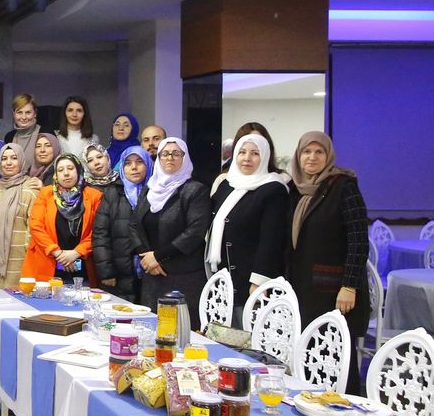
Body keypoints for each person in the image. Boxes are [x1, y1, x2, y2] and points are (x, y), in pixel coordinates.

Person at [286, 131, 370, 392]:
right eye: (306, 152)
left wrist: (349, 286)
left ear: (328, 156)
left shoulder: (343, 186)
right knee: (308, 354)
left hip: (334, 291)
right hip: (302, 287)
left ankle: (347, 407)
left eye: (318, 152)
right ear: (298, 156)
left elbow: (358, 240)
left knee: (336, 356)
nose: (312, 157)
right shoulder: (293, 188)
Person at [208, 134, 290, 307]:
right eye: (242, 152)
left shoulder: (273, 189)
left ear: (265, 157)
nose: (247, 158)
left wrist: (259, 282)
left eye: (255, 153)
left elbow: (272, 240)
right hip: (222, 279)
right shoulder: (227, 185)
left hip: (251, 281)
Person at [130, 138, 210, 315]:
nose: (170, 158)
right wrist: (147, 257)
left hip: (182, 276)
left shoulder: (195, 190)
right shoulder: (150, 189)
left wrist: (158, 256)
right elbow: (134, 225)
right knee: (151, 325)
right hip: (152, 275)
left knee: (181, 328)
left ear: (185, 157)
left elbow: (195, 232)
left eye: (176, 153)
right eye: (165, 154)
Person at [22, 153, 103, 285]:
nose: (66, 173)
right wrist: (58, 254)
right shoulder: (46, 193)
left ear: (78, 170)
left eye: (70, 168)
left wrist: (76, 253)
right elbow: (36, 226)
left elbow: (98, 232)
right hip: (48, 264)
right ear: (56, 174)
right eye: (60, 170)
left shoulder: (94, 196)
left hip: (83, 268)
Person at [93, 147, 150, 300]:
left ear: (148, 164)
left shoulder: (157, 192)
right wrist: (106, 272)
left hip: (152, 270)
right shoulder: (113, 193)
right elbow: (100, 234)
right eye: (128, 163)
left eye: (139, 162)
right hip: (120, 273)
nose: (134, 167)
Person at [0, 143, 42, 290]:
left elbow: (33, 227)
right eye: (4, 159)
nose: (8, 163)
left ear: (22, 161)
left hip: (21, 258)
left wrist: (29, 256)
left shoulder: (31, 187)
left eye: (14, 158)